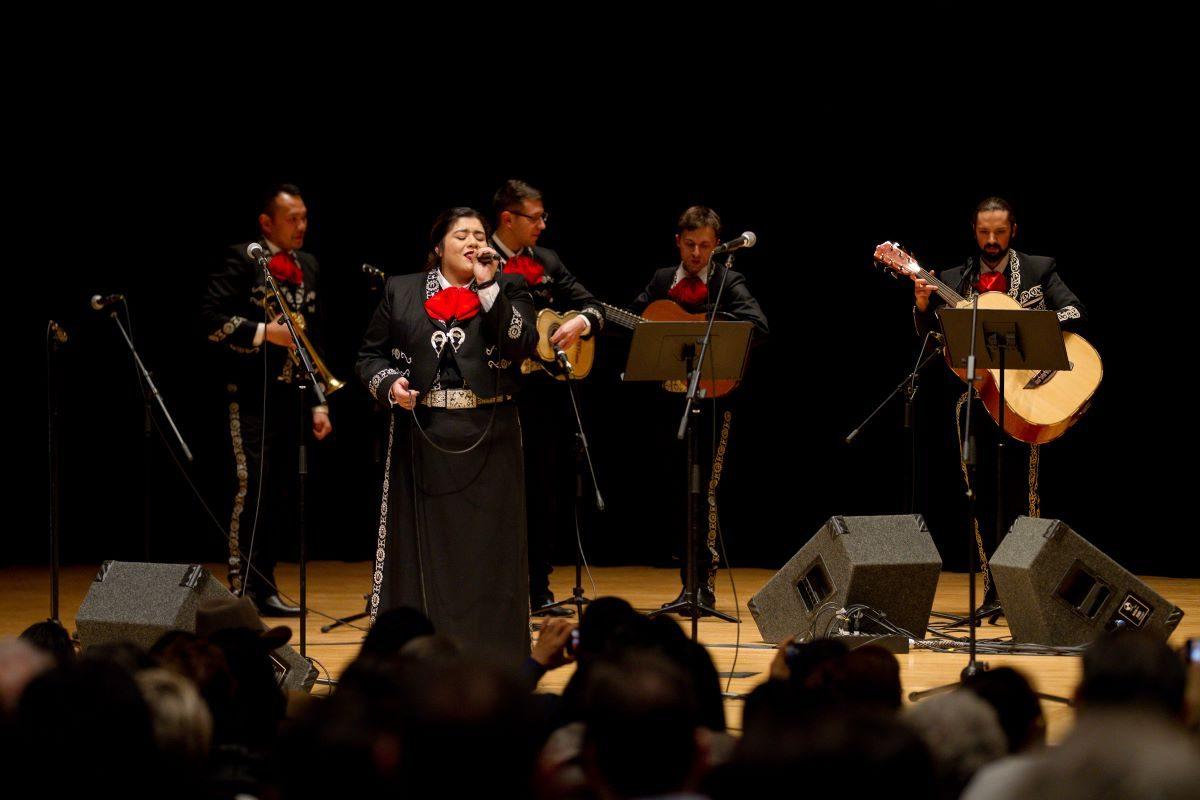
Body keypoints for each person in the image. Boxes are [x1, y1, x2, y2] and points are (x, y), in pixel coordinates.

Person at [357, 206, 538, 662]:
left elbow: (519, 344)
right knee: (426, 552)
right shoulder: (402, 289)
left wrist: (490, 288)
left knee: (488, 551)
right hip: (424, 432)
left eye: (480, 235)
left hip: (490, 433)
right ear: (439, 246)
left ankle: (491, 654)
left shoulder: (510, 287)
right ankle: (420, 652)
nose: (474, 242)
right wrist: (389, 384)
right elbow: (369, 356)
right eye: (462, 236)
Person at [909, 196, 1086, 616]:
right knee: (980, 499)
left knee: (1025, 497)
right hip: (976, 401)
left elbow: (1075, 310)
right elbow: (931, 341)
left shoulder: (1040, 269)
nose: (992, 240)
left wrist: (1029, 325)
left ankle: (1030, 589)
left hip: (1027, 399)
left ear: (1013, 231)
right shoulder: (955, 279)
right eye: (984, 232)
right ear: (974, 231)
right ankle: (996, 592)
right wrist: (921, 305)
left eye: (1000, 232)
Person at [200, 183, 332, 616]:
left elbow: (307, 335)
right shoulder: (242, 258)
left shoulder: (307, 264)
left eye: (304, 217)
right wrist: (264, 332)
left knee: (277, 492)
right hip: (248, 393)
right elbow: (211, 320)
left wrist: (319, 400)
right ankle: (243, 588)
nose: (301, 225)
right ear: (266, 222)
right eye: (292, 217)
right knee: (249, 488)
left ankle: (266, 583)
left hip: (289, 394)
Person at [632, 206, 768, 612]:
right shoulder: (661, 280)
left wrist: (702, 321)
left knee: (704, 491)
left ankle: (703, 585)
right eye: (690, 245)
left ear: (716, 244)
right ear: (678, 241)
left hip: (715, 401)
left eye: (705, 246)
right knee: (676, 491)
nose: (697, 253)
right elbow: (641, 317)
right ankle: (685, 585)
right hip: (669, 399)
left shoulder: (729, 280)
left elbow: (758, 326)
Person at [491, 179, 606, 617]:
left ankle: (539, 588)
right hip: (499, 394)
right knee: (501, 496)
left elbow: (591, 305)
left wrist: (580, 323)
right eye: (534, 217)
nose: (542, 224)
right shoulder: (480, 258)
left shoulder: (548, 261)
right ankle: (498, 588)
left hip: (544, 399)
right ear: (508, 218)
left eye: (543, 217)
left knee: (542, 492)